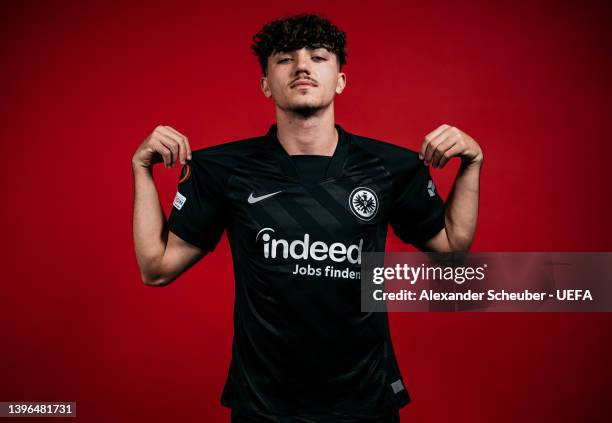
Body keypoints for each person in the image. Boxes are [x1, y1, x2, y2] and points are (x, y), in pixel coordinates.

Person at [131, 13, 483, 423]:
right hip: (264, 407)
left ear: (340, 80)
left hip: (365, 403)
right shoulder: (224, 170)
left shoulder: (389, 167)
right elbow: (155, 269)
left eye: (318, 57)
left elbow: (452, 249)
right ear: (265, 84)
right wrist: (141, 171)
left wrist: (473, 162)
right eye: (284, 59)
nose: (301, 66)